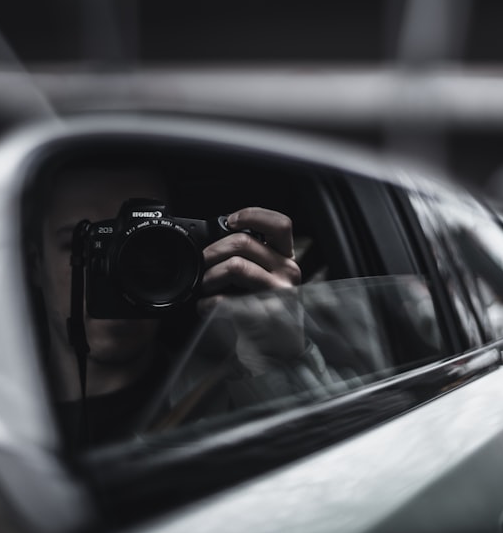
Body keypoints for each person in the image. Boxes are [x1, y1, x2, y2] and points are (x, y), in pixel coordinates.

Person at [29, 166, 306, 450]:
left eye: (146, 244)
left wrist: (279, 366)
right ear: (35, 264)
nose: (119, 268)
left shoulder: (228, 392)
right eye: (85, 241)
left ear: (185, 252)